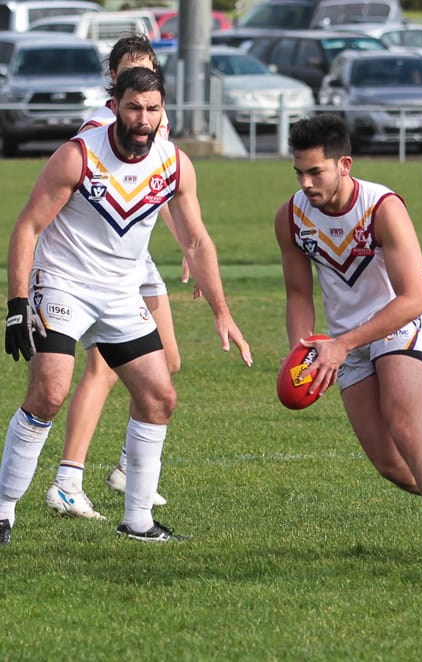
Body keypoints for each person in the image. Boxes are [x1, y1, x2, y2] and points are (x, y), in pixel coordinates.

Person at [1, 67, 253, 545]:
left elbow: (196, 241)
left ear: (164, 112)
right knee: (49, 393)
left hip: (120, 292)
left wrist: (222, 311)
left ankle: (137, 521)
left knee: (159, 398)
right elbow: (27, 228)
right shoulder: (78, 156)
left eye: (153, 109)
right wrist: (17, 303)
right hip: (63, 283)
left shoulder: (174, 164)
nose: (143, 118)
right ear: (114, 104)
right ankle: (3, 510)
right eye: (134, 107)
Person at [274, 113, 422, 567]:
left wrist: (341, 345)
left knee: (404, 426)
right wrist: (304, 352)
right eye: (298, 172)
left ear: (344, 164)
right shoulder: (291, 217)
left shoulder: (383, 208)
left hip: (397, 325)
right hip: (345, 341)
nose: (305, 182)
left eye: (315, 171)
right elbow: (299, 294)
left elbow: (413, 299)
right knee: (392, 466)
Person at [44, 33, 183, 521]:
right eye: (129, 71)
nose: (139, 78)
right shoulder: (103, 126)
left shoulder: (155, 121)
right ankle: (69, 477)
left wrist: (187, 243)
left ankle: (124, 468)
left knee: (167, 366)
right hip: (99, 265)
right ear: (114, 82)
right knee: (102, 368)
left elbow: (162, 188)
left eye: (147, 68)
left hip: (136, 258)